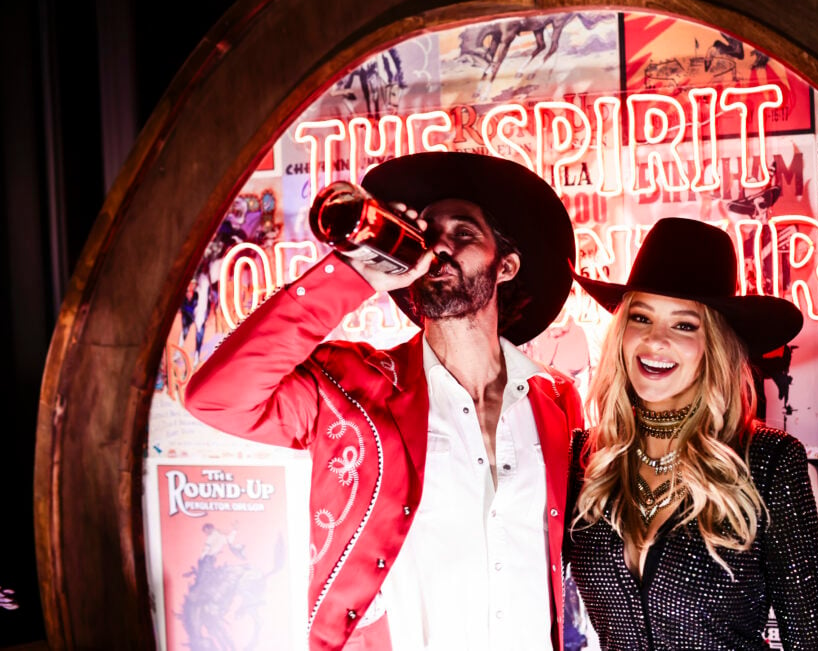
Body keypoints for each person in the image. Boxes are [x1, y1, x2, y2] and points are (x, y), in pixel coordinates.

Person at [184, 152, 584, 651]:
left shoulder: (556, 400)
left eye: (463, 233)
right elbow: (216, 400)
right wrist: (355, 276)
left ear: (505, 266)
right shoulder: (350, 385)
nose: (439, 248)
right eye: (427, 234)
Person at [566, 217, 818, 650]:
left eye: (684, 325)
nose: (655, 340)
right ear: (621, 333)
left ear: (714, 343)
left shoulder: (768, 461)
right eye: (640, 317)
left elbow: (814, 636)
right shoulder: (583, 459)